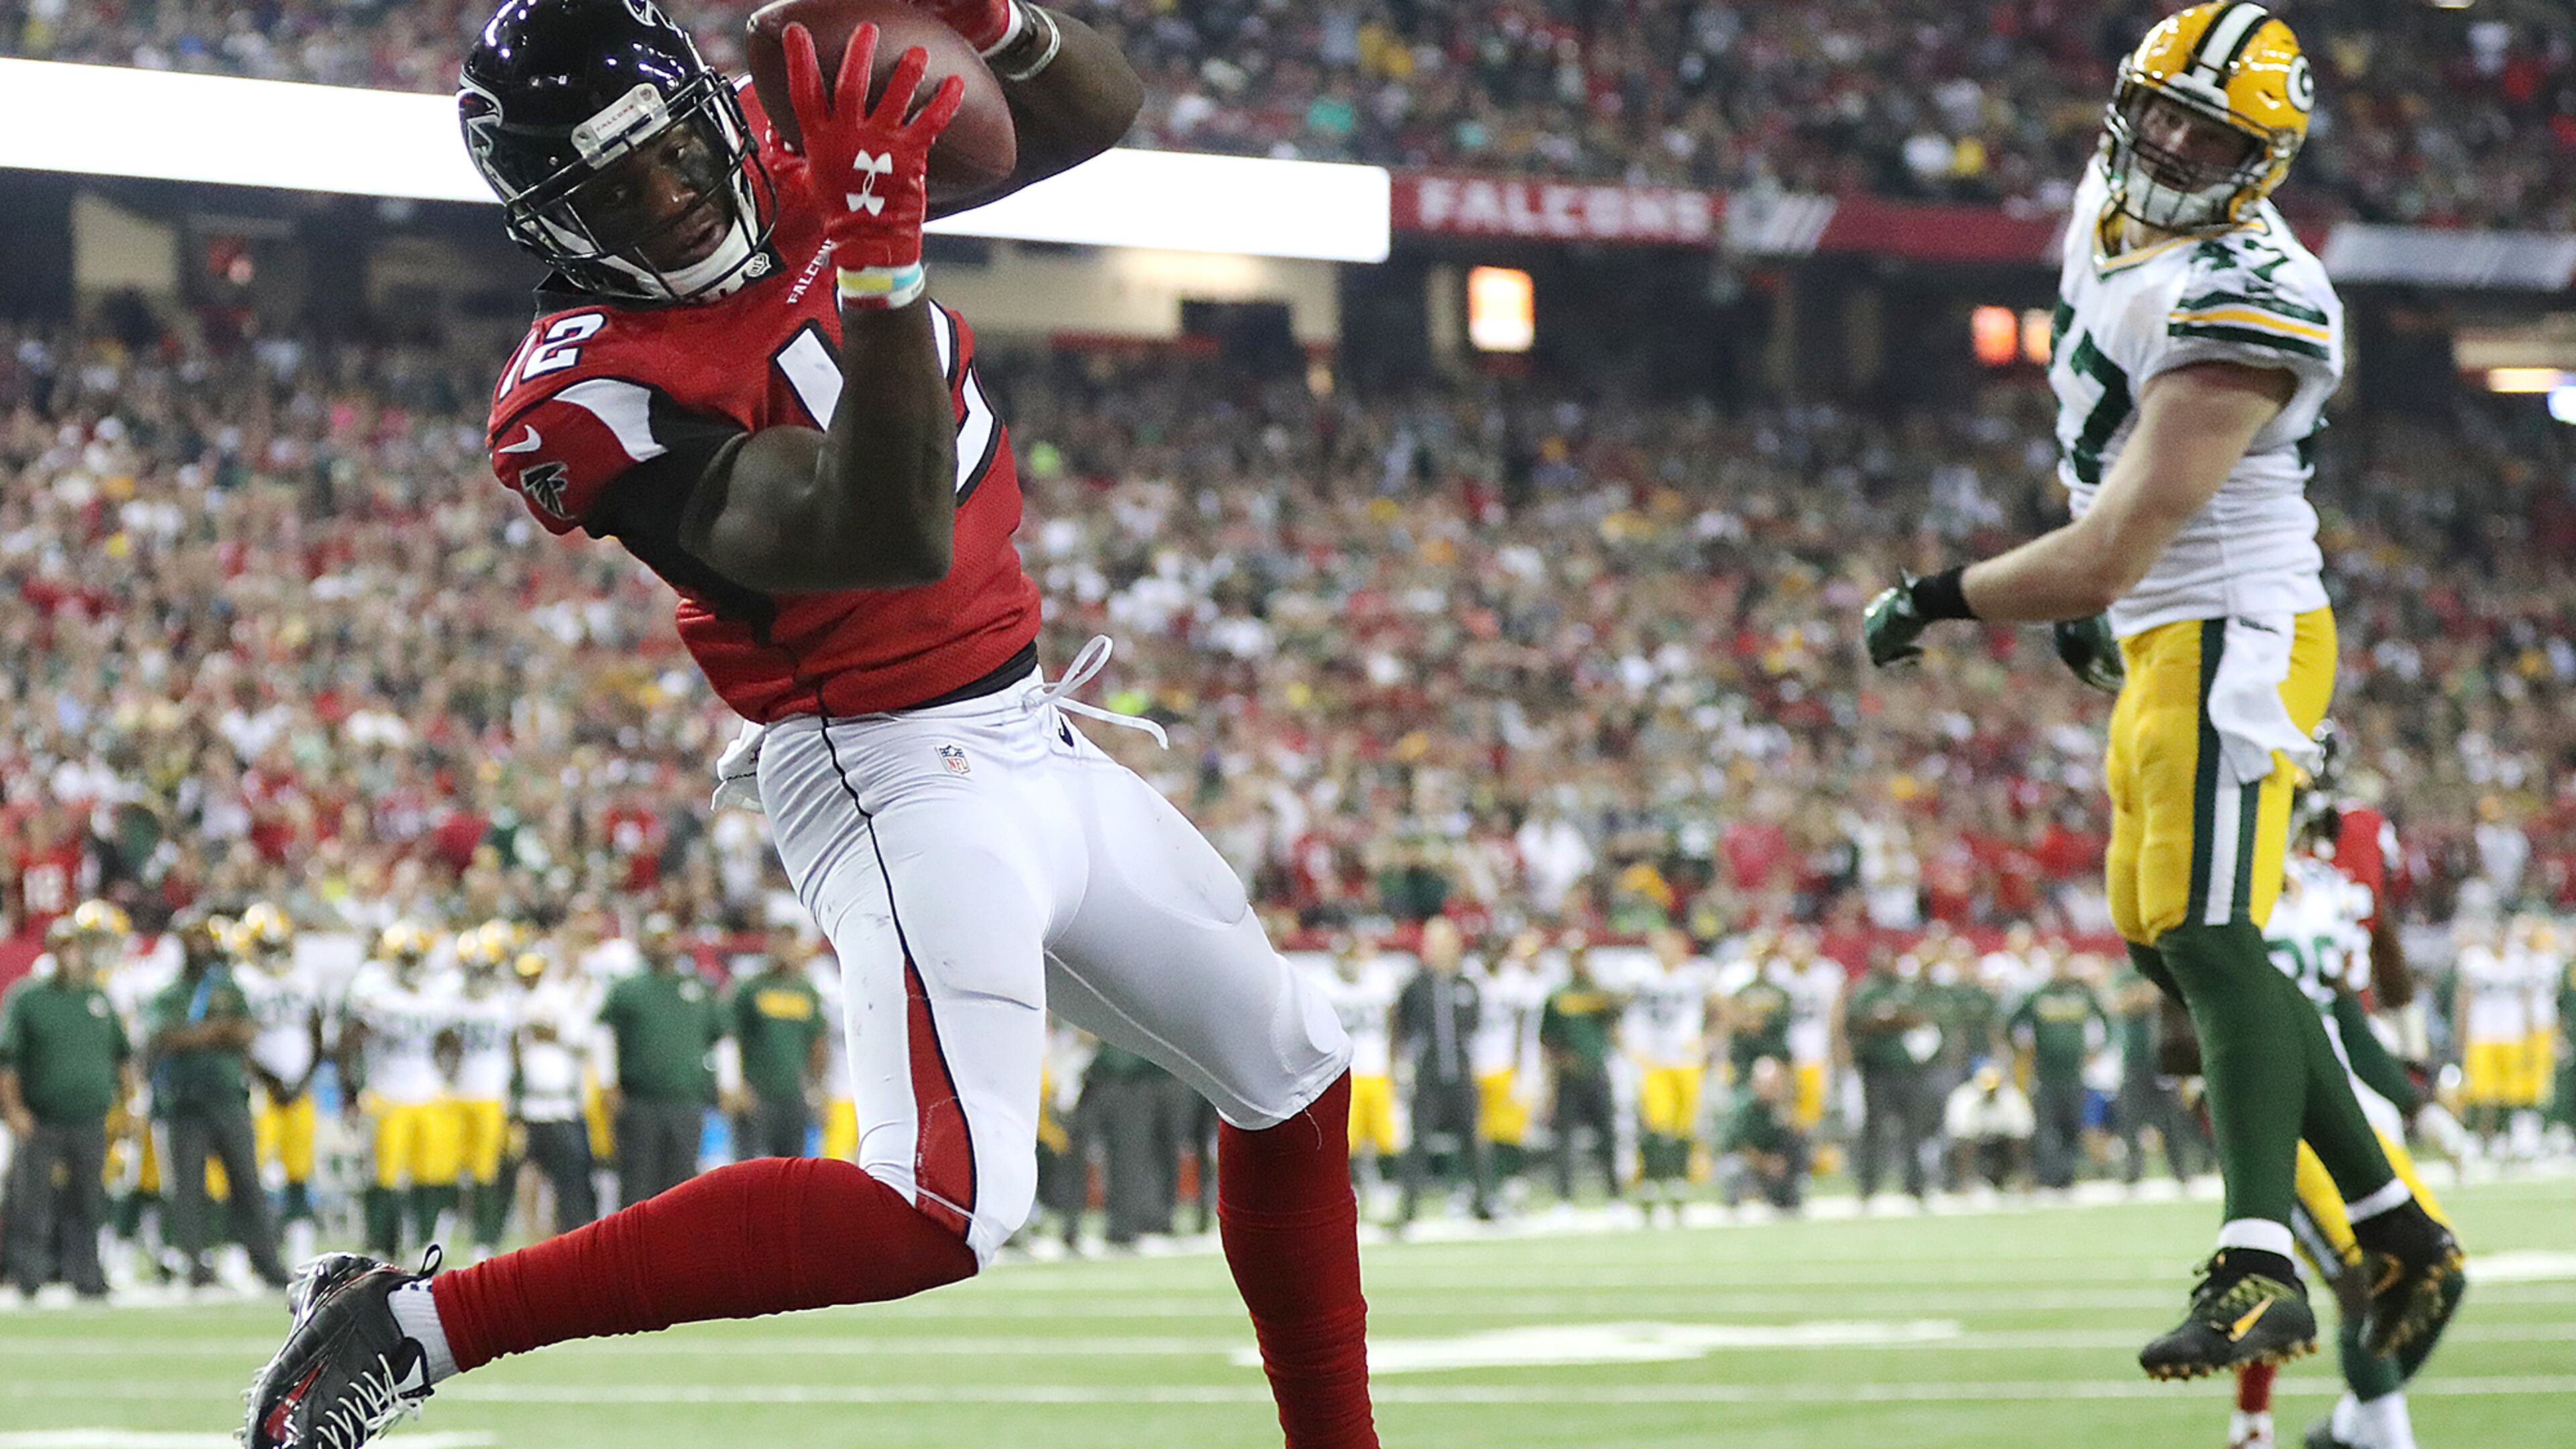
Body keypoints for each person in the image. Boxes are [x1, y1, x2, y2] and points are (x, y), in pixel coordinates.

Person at [246, 5, 1371, 1447]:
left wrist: (989, 23)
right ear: (549, 223)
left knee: (1292, 1069)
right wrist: (882, 253)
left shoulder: (790, 171)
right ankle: (412, 1329)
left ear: (707, 113)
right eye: (611, 191)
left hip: (1025, 727)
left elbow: (1096, 112)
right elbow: (884, 533)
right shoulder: (585, 390)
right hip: (890, 769)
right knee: (944, 1206)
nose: (667, 197)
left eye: (670, 151)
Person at [1860, 1, 2458, 1378]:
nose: (2178, 146)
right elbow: (2109, 505)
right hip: (2163, 627)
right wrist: (2105, 609)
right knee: (2167, 946)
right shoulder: (2114, 202)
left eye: (2215, 135)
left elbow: (2113, 544)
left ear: (2267, 161)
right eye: (2167, 113)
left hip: (2230, 624)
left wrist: (1935, 596)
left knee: (2208, 935)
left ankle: (2262, 1264)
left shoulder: (2257, 288)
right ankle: (2396, 1230)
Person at [2230, 814, 2464, 1449]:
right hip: (2276, 1115)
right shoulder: (2222, 892)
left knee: (2440, 1272)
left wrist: (2418, 1106)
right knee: (2368, 1276)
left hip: (2344, 1106)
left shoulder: (2325, 891)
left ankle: (2346, 1430)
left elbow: (2347, 1023)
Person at [147, 913, 291, 1292]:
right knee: (188, 1190)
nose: (200, 946)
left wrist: (201, 1034)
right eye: (192, 939)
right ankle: (194, 1264)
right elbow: (168, 1038)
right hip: (185, 1103)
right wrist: (217, 1032)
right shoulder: (169, 993)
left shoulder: (228, 988)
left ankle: (267, 1262)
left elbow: (246, 1032)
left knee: (247, 1184)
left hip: (229, 1098)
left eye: (204, 939)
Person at [0, 902, 133, 1301]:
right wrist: (14, 1109)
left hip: (91, 1116)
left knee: (88, 1201)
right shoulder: (28, 997)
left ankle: (87, 1276)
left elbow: (122, 1057)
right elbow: (8, 1060)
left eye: (74, 946)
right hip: (41, 1116)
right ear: (50, 950)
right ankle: (28, 1276)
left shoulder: (98, 996)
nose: (70, 954)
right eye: (62, 946)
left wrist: (129, 1106)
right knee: (32, 1200)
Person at [343, 922, 462, 1260]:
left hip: (429, 1095)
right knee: (382, 1179)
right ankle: (380, 1246)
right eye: (405, 958)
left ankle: (422, 1244)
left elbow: (450, 1040)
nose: (411, 965)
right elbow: (349, 1043)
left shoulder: (437, 993)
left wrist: (446, 1077)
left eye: (415, 957)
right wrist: (350, 1093)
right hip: (385, 1095)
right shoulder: (373, 990)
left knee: (431, 1175)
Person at [595, 916, 724, 1208]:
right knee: (637, 1186)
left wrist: (729, 1083)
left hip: (687, 1100)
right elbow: (604, 1032)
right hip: (640, 1101)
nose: (663, 945)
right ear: (644, 943)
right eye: (656, 938)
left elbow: (722, 1035)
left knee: (682, 1188)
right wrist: (607, 1083)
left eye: (667, 937)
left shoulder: (698, 988)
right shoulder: (628, 988)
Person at [232, 903, 327, 1266]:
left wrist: (301, 1080)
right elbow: (238, 1043)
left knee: (299, 1172)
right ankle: (241, 1253)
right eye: (265, 945)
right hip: (258, 1090)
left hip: (298, 1091)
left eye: (277, 944)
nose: (272, 952)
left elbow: (316, 1034)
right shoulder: (242, 980)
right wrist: (271, 1080)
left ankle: (301, 1251)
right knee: (249, 1175)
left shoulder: (304, 979)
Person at [1391, 918, 1487, 1225]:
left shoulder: (1466, 984)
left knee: (1473, 1140)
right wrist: (1399, 1066)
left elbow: (1475, 1027)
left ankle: (1483, 1202)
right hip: (1428, 1074)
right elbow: (1400, 1027)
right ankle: (1408, 1208)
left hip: (1460, 1071)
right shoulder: (1416, 986)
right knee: (1418, 1141)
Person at [1624, 927, 1717, 1219]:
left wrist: (1709, 1040)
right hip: (1653, 1059)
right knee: (1657, 1122)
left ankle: (1678, 1182)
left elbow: (1722, 1009)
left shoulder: (1696, 974)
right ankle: (1651, 1182)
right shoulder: (1641, 974)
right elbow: (1618, 1009)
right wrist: (1630, 1043)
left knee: (1683, 1125)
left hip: (1686, 1060)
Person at [448, 922, 525, 1260]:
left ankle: (483, 1244)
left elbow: (516, 1055)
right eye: (474, 968)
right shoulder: (447, 997)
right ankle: (437, 1239)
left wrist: (516, 1102)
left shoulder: (506, 1002)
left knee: (486, 1177)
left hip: (492, 1098)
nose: (479, 976)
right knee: (443, 1174)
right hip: (450, 1096)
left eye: (485, 968)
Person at [511, 943, 598, 1235]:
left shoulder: (559, 997)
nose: (529, 980)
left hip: (562, 1103)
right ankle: (531, 1231)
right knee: (529, 1167)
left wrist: (554, 1032)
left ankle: (562, 1230)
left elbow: (580, 1039)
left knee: (567, 1174)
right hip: (531, 1102)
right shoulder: (516, 1001)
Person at [2010, 948, 2111, 1189]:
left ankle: (2067, 1177)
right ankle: (2048, 1177)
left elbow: (2106, 1020)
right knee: (2046, 1128)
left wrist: (2098, 1049)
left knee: (2071, 1126)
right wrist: (2022, 1051)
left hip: (2074, 1073)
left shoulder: (2082, 993)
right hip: (2045, 1073)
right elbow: (2012, 1023)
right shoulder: (2037, 995)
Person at [724, 934, 828, 1161]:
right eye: (779, 945)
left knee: (791, 1166)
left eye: (789, 946)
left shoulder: (806, 990)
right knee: (750, 1167)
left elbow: (818, 1042)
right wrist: (736, 1086)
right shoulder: (751, 987)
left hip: (793, 1094)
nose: (784, 952)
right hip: (757, 1093)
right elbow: (731, 1037)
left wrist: (817, 1091)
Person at [1843, 947, 1934, 1206]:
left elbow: (1922, 1017)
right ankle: (1868, 1187)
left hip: (1908, 1068)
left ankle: (1915, 1186)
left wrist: (1892, 1018)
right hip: (1876, 1069)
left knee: (1913, 1129)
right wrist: (1887, 1020)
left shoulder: (1907, 989)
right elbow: (1857, 1023)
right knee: (1874, 1130)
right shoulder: (1865, 990)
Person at [1539, 933, 1621, 1205]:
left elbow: (1615, 1020)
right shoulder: (1558, 996)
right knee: (1564, 1139)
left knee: (1607, 1136)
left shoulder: (1599, 993)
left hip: (1596, 1070)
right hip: (1568, 1074)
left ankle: (1614, 1195)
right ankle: (1564, 1198)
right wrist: (1561, 1063)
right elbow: (1548, 1038)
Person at [1316, 935, 1400, 1201]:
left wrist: (1396, 1063)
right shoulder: (1325, 989)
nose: (1349, 963)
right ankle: (1351, 1191)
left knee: (1385, 1138)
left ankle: (1382, 1189)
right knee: (1347, 1140)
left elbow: (1393, 1024)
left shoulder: (1379, 982)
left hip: (1377, 1071)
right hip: (1344, 1074)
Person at [1715, 1057, 1807, 1212]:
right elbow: (1742, 1147)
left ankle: (1786, 1194)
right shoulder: (1745, 1108)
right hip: (1749, 1165)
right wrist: (1766, 1163)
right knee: (1732, 1167)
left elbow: (1793, 1139)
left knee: (1798, 1148)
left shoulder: (1780, 1108)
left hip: (1772, 1164)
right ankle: (1736, 1201)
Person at [1943, 1065, 2036, 1191]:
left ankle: (2022, 1179)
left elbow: (2023, 1131)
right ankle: (1965, 1183)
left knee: (2019, 1145)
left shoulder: (2012, 1098)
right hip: (1975, 1141)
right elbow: (1958, 1132)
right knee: (1964, 1146)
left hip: (2001, 1143)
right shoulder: (1964, 1098)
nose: (1990, 1093)